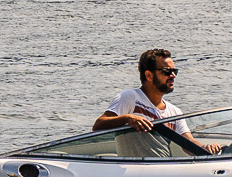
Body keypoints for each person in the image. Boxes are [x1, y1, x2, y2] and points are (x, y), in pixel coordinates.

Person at [93, 49, 222, 157]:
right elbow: (98, 125)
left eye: (174, 71)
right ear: (149, 75)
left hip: (161, 171)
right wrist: (127, 118)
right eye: (167, 71)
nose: (173, 76)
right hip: (134, 173)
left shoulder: (174, 111)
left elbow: (188, 143)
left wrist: (207, 148)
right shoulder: (130, 97)